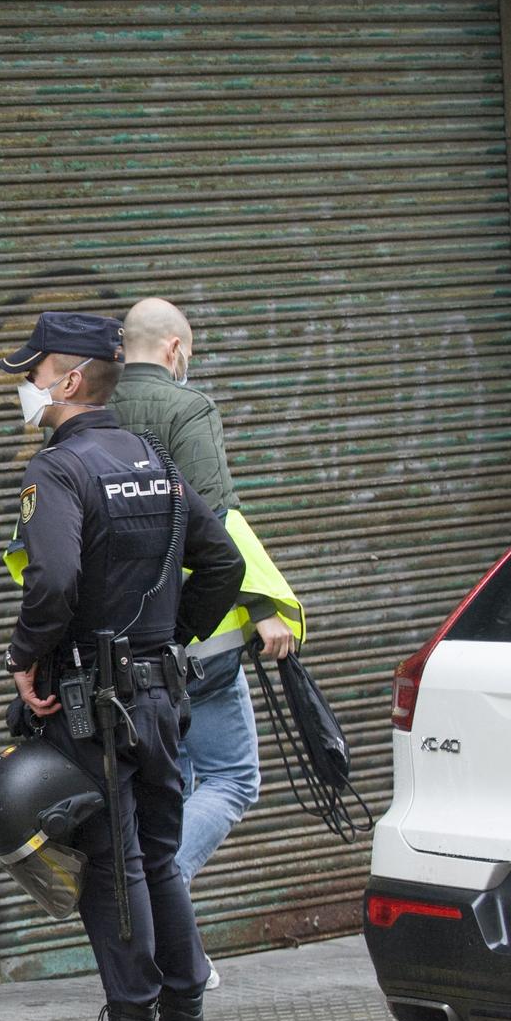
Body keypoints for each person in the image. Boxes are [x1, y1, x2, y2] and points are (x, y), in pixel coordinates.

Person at [0, 311, 243, 1021]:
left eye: (34, 374)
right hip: (161, 697)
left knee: (114, 867)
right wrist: (172, 638)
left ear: (68, 381)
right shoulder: (153, 459)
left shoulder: (58, 471)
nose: (25, 388)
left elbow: (56, 581)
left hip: (94, 704)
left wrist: (26, 657)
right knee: (160, 861)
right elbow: (224, 562)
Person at [111, 299, 307, 984]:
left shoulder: (93, 411)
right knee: (232, 777)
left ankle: (178, 946)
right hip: (198, 637)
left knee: (173, 783)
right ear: (173, 351)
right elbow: (215, 521)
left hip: (119, 640)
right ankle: (157, 903)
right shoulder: (186, 409)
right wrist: (260, 608)